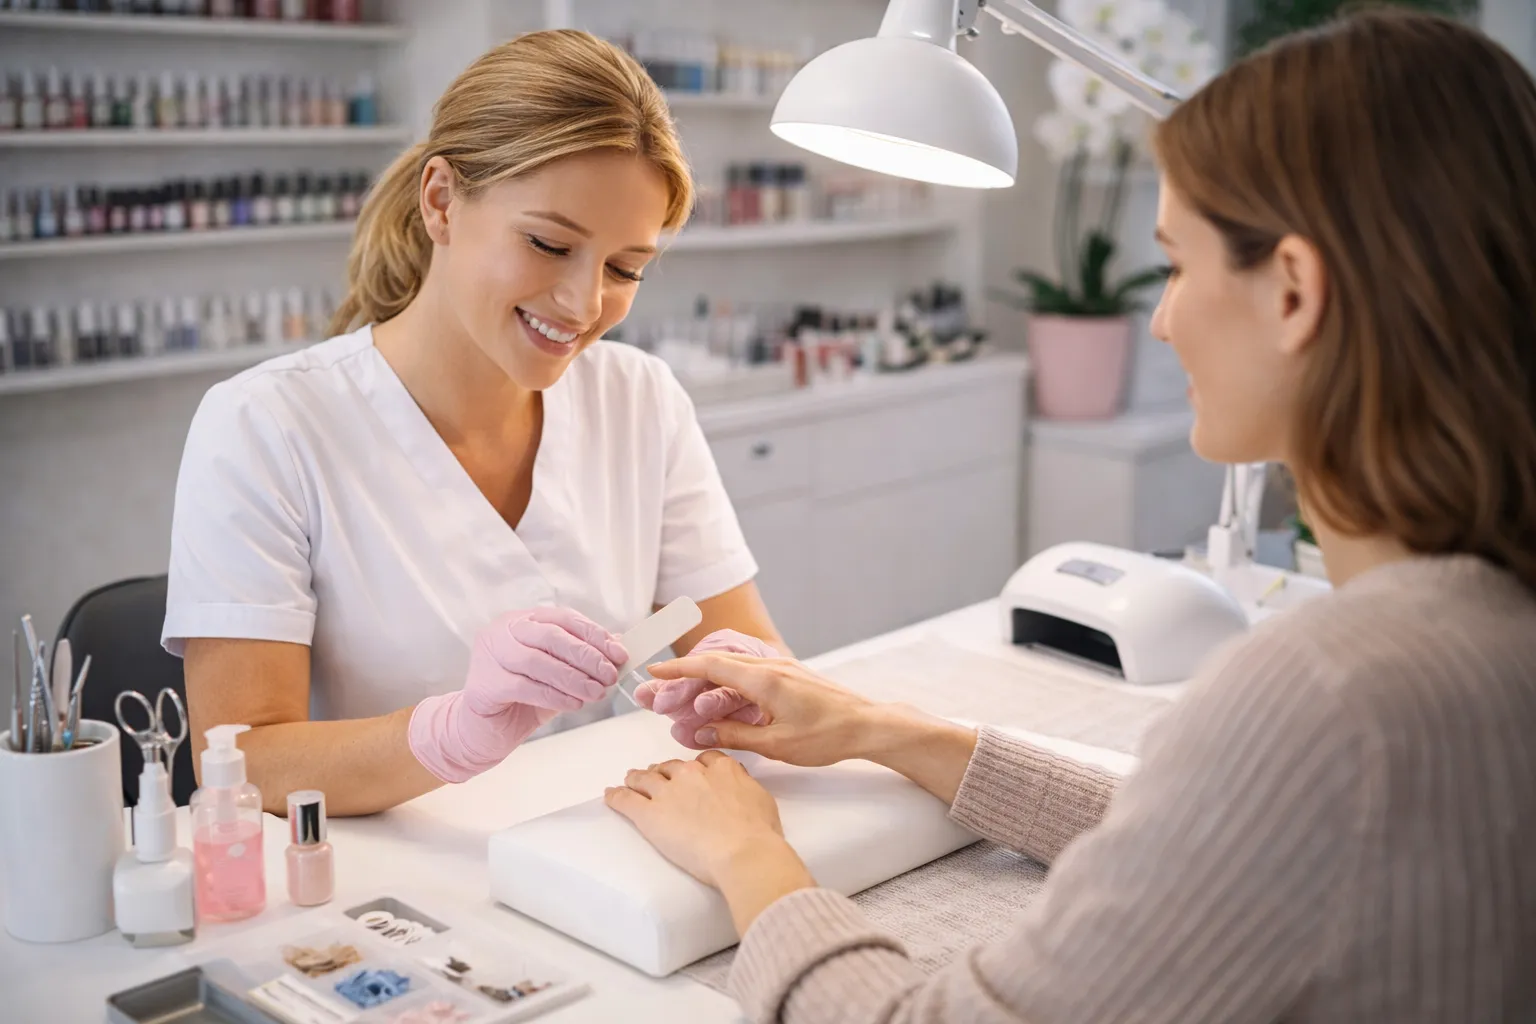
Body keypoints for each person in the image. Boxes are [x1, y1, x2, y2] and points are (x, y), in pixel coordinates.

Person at [606, 10, 1536, 1023]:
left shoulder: (1331, 695)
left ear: (1296, 291)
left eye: (1176, 265)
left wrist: (751, 859)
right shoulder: (1485, 625)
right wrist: (884, 728)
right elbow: (1210, 843)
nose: (1162, 316)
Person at [161, 30, 784, 817]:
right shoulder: (266, 425)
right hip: (390, 890)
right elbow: (242, 761)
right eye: (549, 244)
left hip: (613, 849)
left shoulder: (640, 397)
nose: (585, 305)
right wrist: (448, 733)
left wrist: (750, 683)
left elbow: (747, 648)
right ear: (441, 201)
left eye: (626, 268)